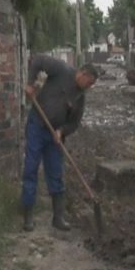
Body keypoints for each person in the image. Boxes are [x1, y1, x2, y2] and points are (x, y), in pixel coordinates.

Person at [21, 56, 99, 232]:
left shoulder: (80, 97)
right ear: (82, 74)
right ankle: (28, 216)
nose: (89, 87)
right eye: (89, 82)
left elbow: (74, 123)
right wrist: (30, 84)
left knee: (56, 173)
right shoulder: (61, 69)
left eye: (92, 85)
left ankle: (58, 217)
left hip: (54, 136)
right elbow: (37, 61)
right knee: (31, 168)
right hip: (37, 125)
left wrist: (62, 131)